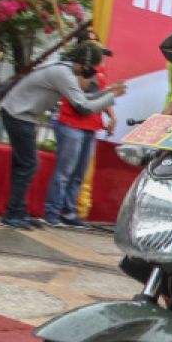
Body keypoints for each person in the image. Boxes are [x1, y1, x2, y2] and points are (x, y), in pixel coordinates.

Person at [0, 42, 126, 229]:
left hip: (21, 115)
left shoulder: (66, 71)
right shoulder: (63, 74)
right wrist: (111, 96)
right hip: (17, 114)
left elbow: (83, 99)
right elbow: (82, 108)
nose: (94, 72)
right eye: (94, 68)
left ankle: (16, 211)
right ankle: (13, 214)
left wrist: (109, 92)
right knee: (28, 164)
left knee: (25, 165)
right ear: (85, 65)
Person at [44, 29, 118, 229]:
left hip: (91, 126)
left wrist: (111, 115)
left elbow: (101, 94)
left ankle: (69, 211)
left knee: (79, 173)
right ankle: (53, 212)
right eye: (91, 43)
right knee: (64, 172)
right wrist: (88, 67)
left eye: (98, 42)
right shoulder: (73, 68)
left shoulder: (99, 67)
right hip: (71, 124)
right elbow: (83, 90)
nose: (97, 46)